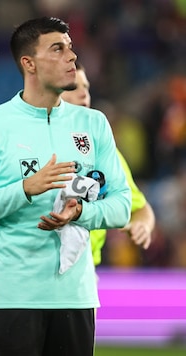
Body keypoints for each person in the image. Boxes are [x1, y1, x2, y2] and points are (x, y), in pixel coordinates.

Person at [0, 17, 131, 356]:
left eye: (71, 48)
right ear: (28, 63)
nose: (72, 57)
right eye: (58, 49)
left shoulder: (93, 123)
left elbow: (121, 206)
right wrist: (25, 189)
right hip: (12, 298)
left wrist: (81, 212)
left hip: (77, 298)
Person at [61, 63, 155, 266]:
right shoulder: (33, 143)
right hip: (35, 272)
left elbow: (141, 208)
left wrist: (142, 226)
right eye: (73, 87)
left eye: (86, 87)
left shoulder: (104, 151)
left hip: (84, 273)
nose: (83, 94)